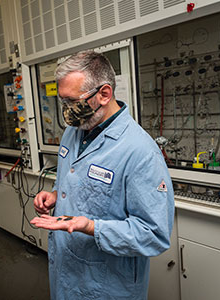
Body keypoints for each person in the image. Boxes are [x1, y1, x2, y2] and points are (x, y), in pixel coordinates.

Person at [31, 51, 174, 299]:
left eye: (73, 102)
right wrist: (55, 195)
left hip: (107, 284)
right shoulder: (74, 132)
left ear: (104, 94)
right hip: (66, 272)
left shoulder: (139, 151)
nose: (67, 112)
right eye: (63, 103)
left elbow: (154, 234)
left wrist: (92, 227)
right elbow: (78, 182)